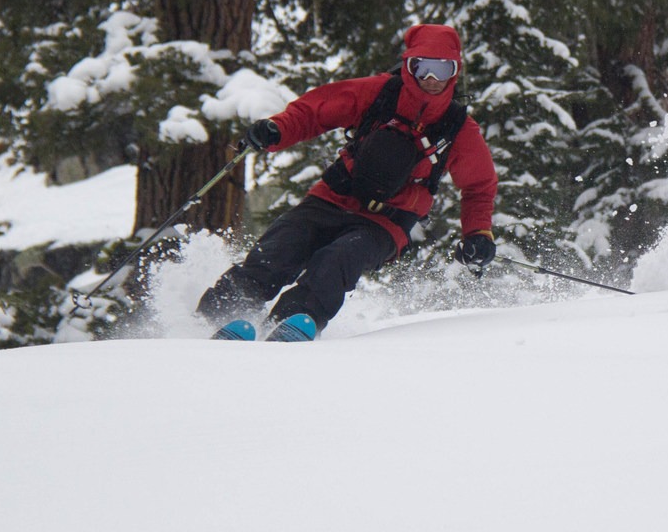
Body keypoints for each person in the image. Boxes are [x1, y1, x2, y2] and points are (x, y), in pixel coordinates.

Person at [197, 24, 498, 341]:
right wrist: (277, 129)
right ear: (408, 66)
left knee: (338, 259)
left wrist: (477, 232)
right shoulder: (379, 93)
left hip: (384, 223)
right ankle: (213, 321)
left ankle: (291, 324)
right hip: (331, 199)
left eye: (441, 69)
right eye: (421, 67)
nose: (431, 79)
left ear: (455, 71)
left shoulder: (458, 129)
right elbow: (315, 110)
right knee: (280, 250)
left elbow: (479, 185)